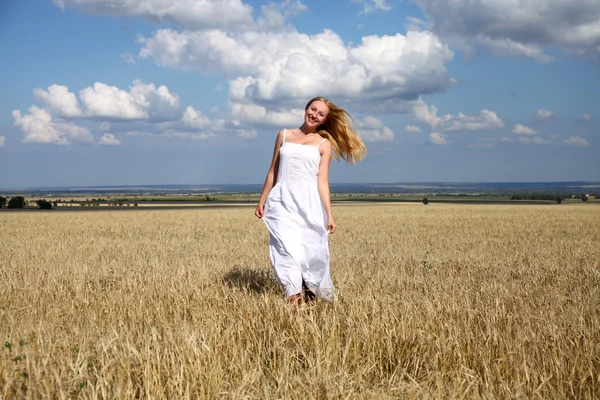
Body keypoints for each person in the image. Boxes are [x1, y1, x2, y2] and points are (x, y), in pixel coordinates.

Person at [254, 97, 367, 308]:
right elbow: (273, 171)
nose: (314, 115)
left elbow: (322, 182)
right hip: (281, 202)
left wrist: (329, 214)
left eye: (321, 114)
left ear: (324, 120)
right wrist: (262, 200)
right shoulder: (284, 135)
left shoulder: (324, 145)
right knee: (285, 251)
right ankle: (295, 306)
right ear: (306, 108)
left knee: (308, 254)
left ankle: (311, 297)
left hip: (309, 204)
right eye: (313, 109)